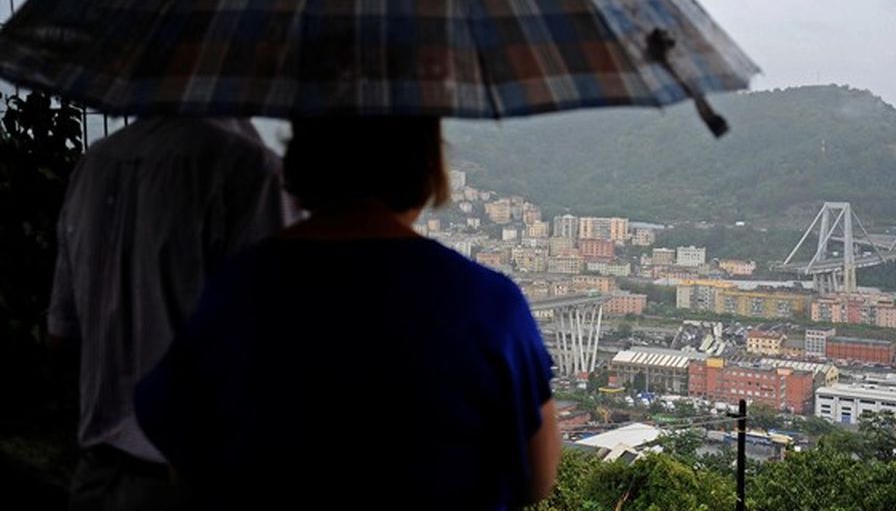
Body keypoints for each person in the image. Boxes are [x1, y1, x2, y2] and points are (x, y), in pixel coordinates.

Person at [135, 116, 561, 510]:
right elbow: (536, 478)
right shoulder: (487, 304)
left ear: (304, 156)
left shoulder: (237, 291)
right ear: (426, 164)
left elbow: (182, 451)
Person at [48, 117, 295, 510]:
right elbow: (276, 346)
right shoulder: (248, 169)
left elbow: (63, 332)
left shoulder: (94, 164)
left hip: (98, 477)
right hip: (198, 483)